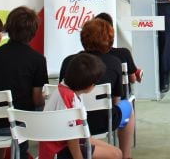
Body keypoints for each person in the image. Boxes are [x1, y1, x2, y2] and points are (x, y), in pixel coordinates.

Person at [59, 18, 135, 159]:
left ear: (83, 38)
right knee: (128, 107)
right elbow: (116, 101)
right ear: (110, 39)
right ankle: (126, 155)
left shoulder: (69, 61)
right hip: (104, 121)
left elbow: (63, 93)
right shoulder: (114, 62)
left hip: (72, 125)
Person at [0, 6, 48, 159]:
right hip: (18, 126)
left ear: (8, 28)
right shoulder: (37, 59)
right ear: (34, 31)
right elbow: (36, 99)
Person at [39, 53, 122, 159]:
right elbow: (71, 137)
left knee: (117, 153)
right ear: (89, 86)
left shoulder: (65, 88)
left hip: (62, 144)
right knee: (115, 155)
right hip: (59, 150)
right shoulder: (69, 99)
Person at [94, 12, 142, 85]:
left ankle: (134, 70)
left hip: (88, 96)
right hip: (119, 95)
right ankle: (135, 70)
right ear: (111, 31)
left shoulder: (81, 58)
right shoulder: (123, 53)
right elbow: (132, 80)